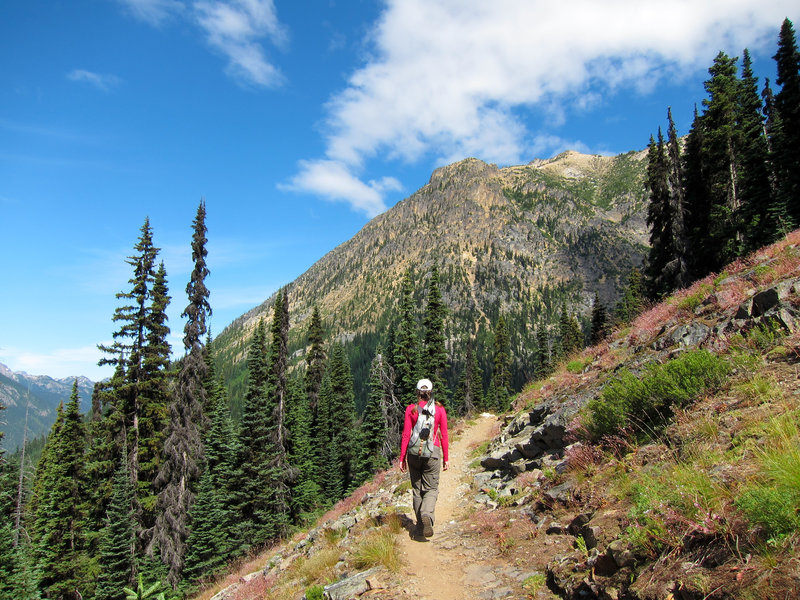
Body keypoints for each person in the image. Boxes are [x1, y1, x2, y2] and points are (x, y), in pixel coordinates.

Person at [400, 378, 449, 538]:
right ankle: (427, 514)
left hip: (413, 453)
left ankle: (420, 526)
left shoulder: (411, 410)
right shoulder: (439, 410)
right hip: (432, 452)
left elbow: (406, 434)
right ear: (430, 392)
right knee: (431, 488)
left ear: (417, 392)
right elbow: (444, 435)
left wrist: (401, 458)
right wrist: (446, 457)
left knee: (417, 489)